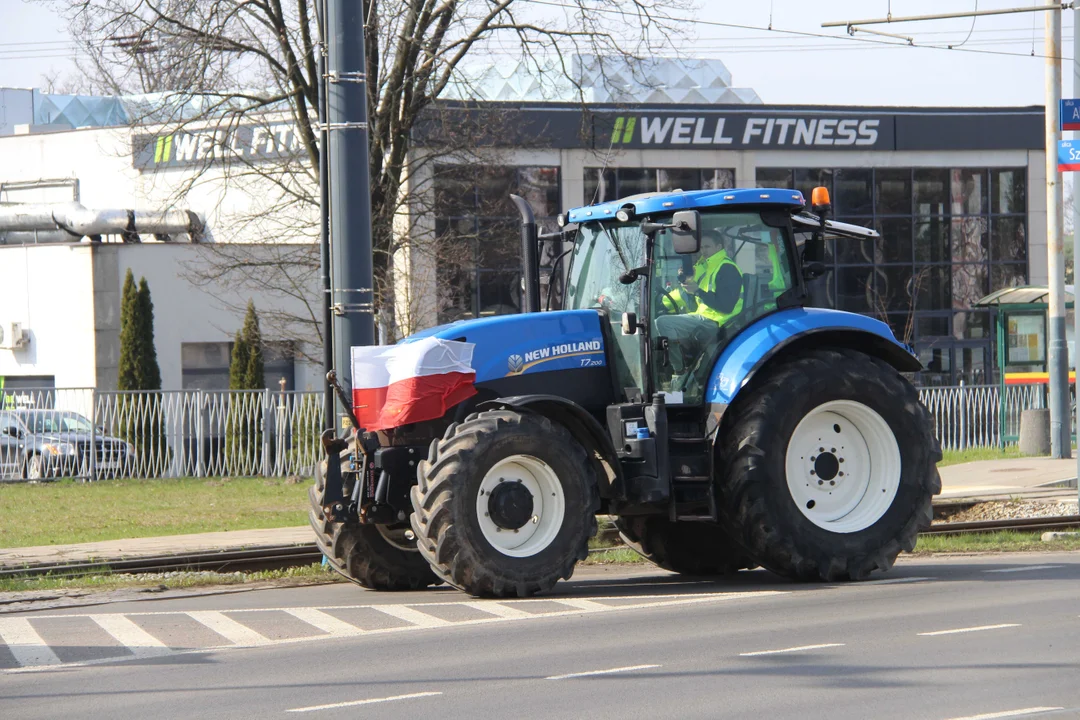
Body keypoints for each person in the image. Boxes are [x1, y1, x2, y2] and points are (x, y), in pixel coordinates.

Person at [655, 227, 744, 377]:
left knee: (663, 323)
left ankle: (680, 371)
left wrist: (697, 291)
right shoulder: (707, 265)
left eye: (707, 246)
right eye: (701, 247)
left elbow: (726, 306)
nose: (703, 250)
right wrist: (682, 278)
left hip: (718, 321)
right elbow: (689, 284)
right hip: (704, 315)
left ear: (719, 247)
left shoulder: (727, 268)